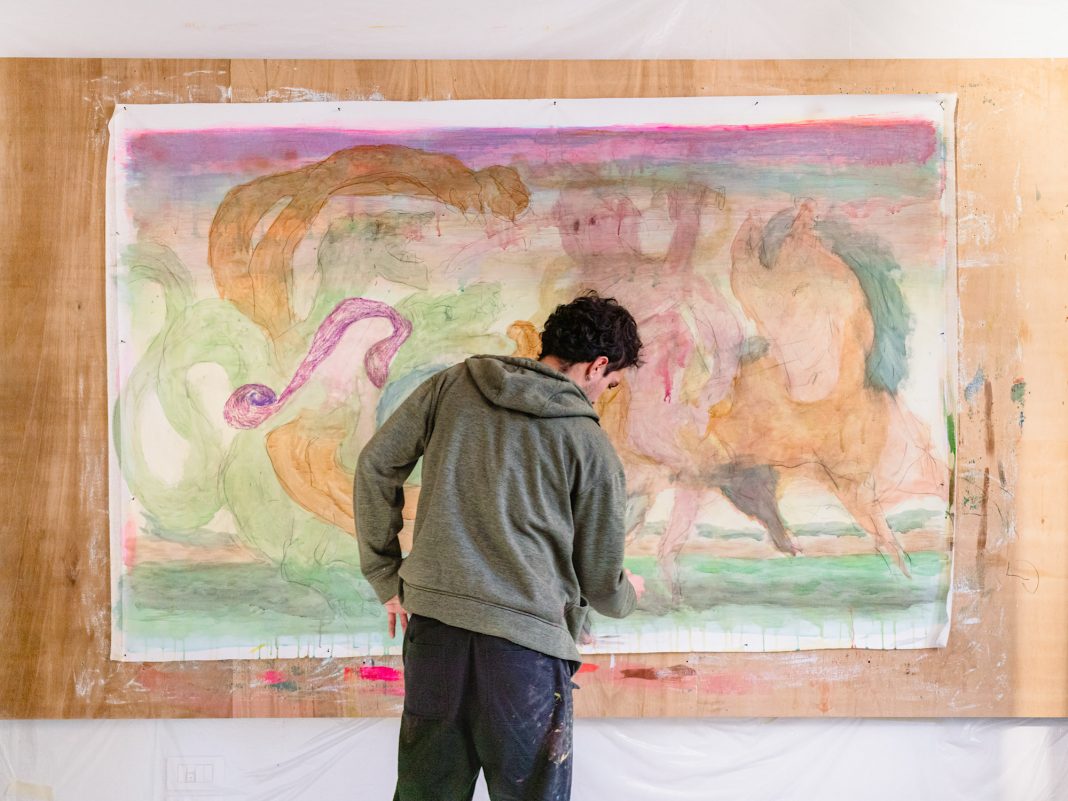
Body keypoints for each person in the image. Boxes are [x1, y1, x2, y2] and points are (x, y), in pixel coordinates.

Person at [355, 292, 645, 801]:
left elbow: (376, 465)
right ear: (598, 366)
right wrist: (629, 594)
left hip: (436, 635)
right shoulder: (589, 443)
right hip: (525, 652)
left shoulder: (454, 385)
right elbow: (602, 583)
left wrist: (385, 575)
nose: (604, 394)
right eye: (611, 384)